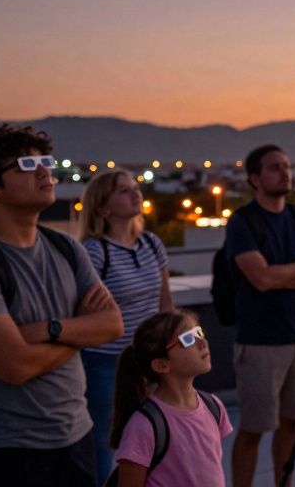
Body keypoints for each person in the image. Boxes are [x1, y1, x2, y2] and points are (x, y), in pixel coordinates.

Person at [0, 124, 123, 486]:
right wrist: (80, 331)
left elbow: (113, 325)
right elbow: (15, 366)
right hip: (5, 452)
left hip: (76, 438)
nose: (44, 171)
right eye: (25, 164)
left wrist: (48, 330)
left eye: (44, 161)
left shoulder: (66, 248)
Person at [226, 144, 295, 487]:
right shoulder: (243, 221)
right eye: (275, 168)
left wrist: (280, 275)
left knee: (293, 425)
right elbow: (261, 278)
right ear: (255, 178)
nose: (285, 172)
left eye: (287, 166)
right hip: (259, 343)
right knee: (254, 430)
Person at [79, 170, 174, 484]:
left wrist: (171, 353)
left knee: (150, 438)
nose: (136, 194)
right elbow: (85, 313)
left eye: (136, 188)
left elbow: (165, 305)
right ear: (103, 206)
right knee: (107, 442)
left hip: (148, 361)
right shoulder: (95, 252)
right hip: (107, 363)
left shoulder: (151, 243)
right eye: (123, 191)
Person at [110, 309, 232, 487]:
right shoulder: (144, 425)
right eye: (188, 339)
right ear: (161, 365)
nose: (202, 342)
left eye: (199, 332)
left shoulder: (214, 407)